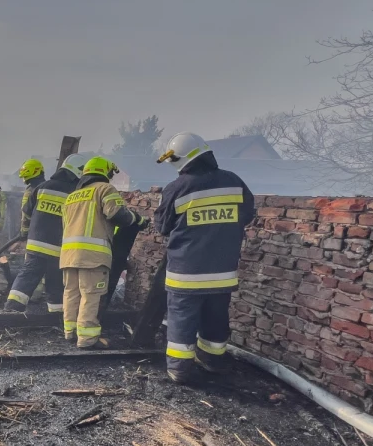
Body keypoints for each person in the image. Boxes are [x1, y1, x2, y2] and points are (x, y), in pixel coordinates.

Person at [154, 132, 256, 383]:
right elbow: (247, 213)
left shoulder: (177, 188)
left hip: (186, 272)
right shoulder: (234, 182)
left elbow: (163, 226)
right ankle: (212, 361)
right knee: (216, 318)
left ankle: (179, 369)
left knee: (181, 319)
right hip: (222, 272)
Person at [60, 156, 147, 348]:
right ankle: (87, 339)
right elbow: (117, 214)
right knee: (91, 295)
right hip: (93, 256)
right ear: (105, 172)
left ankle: (70, 332)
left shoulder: (72, 196)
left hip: (68, 255)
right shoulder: (104, 189)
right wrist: (138, 220)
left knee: (71, 293)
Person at [5, 157, 73, 313]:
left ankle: (13, 307)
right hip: (58, 246)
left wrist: (25, 233)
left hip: (36, 242)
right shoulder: (71, 192)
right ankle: (55, 313)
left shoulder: (39, 189)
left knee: (28, 273)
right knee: (54, 279)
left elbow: (26, 213)